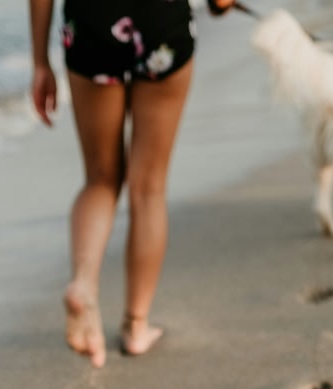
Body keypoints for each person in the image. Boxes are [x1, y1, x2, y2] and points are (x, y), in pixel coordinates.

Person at [29, 0, 235, 367]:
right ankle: (136, 327)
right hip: (161, 24)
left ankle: (83, 282)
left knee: (100, 179)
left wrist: (40, 63)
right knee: (148, 187)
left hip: (91, 26)